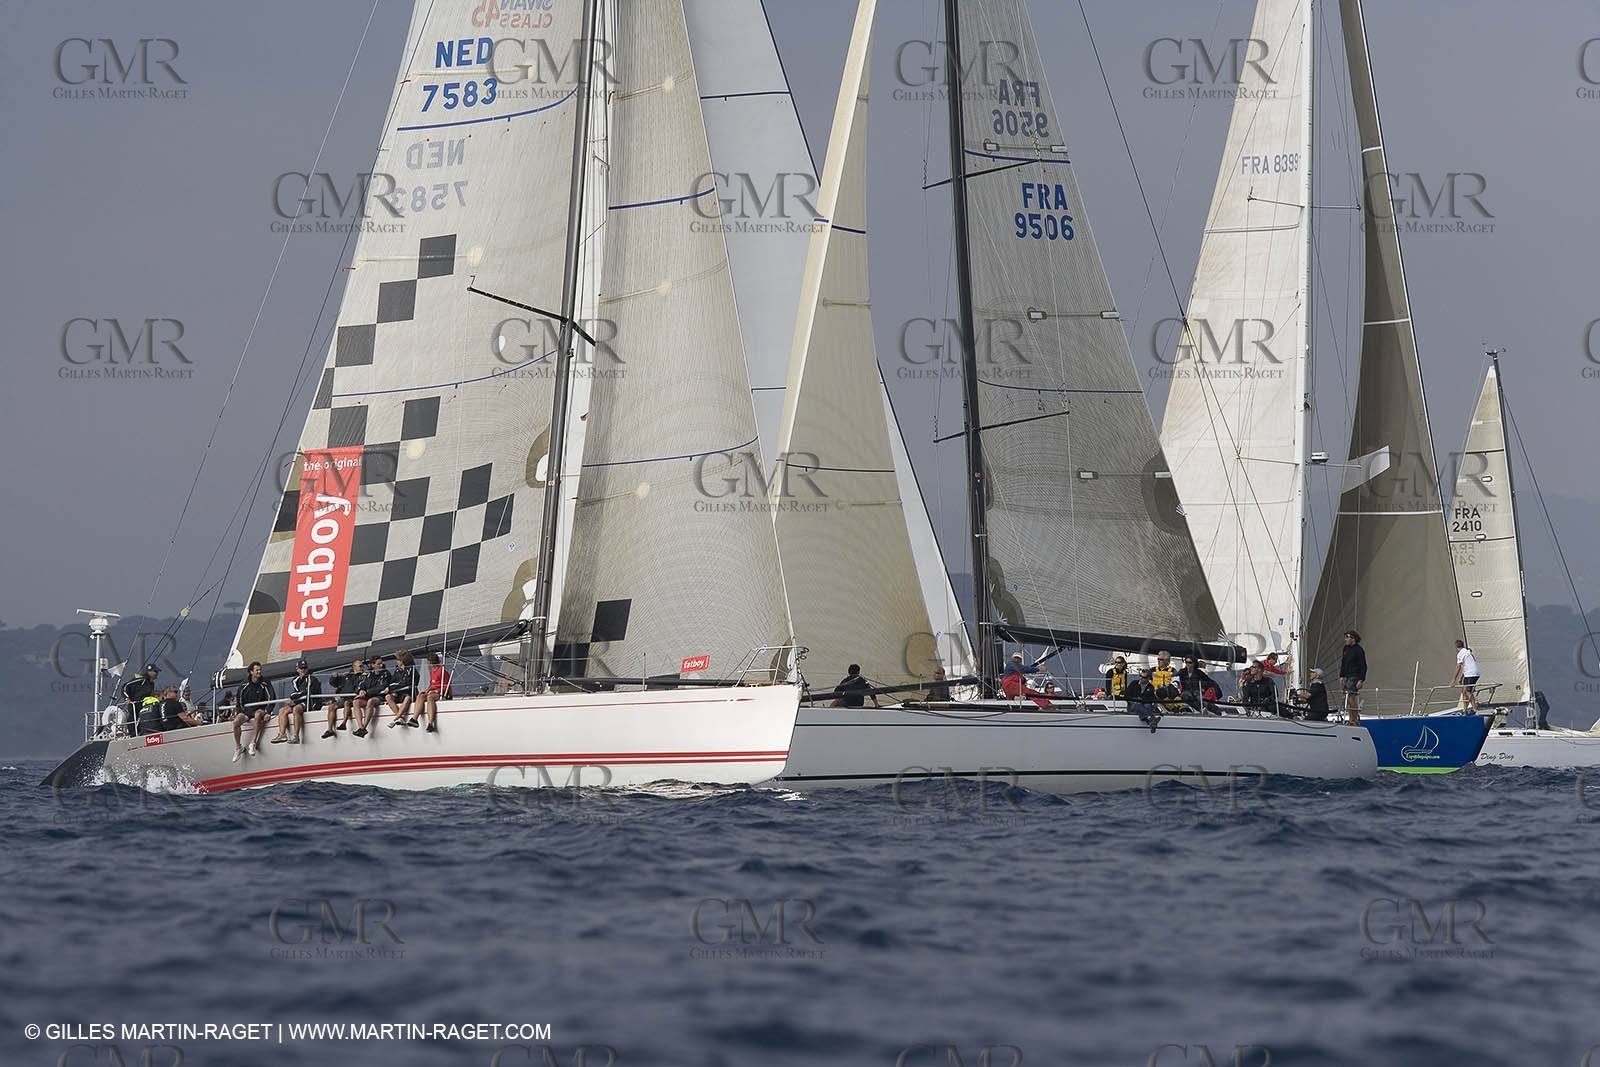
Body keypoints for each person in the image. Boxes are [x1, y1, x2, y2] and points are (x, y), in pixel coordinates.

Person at [233, 661, 276, 761]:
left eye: (260, 670)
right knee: (236, 722)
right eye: (257, 670)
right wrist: (241, 712)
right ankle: (238, 747)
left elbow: (271, 697)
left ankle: (253, 743)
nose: (259, 672)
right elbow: (239, 700)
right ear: (251, 671)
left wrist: (268, 712)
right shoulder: (244, 684)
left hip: (260, 709)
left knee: (257, 715)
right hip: (247, 711)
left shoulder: (265, 682)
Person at [272, 659, 320, 743]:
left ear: (307, 669)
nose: (303, 670)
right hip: (300, 702)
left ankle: (296, 736)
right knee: (282, 710)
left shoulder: (311, 679)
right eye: (301, 668)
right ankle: (282, 734)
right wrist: (293, 697)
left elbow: (306, 692)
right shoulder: (295, 680)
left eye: (304, 668)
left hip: (310, 703)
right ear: (297, 669)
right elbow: (298, 692)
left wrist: (292, 697)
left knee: (296, 709)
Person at [355, 656, 392, 734]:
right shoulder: (367, 674)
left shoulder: (386, 673)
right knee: (356, 702)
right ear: (373, 665)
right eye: (378, 664)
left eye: (381, 663)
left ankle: (364, 727)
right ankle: (360, 727)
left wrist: (366, 693)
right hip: (367, 696)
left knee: (370, 701)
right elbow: (360, 684)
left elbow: (381, 687)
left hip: (379, 697)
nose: (381, 665)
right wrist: (360, 690)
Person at [327, 659, 365, 735]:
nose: (362, 668)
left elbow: (361, 685)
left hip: (353, 698)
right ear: (354, 667)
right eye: (360, 666)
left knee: (347, 703)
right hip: (343, 698)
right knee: (331, 707)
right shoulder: (347, 676)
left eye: (362, 666)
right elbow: (334, 684)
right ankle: (330, 730)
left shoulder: (363, 675)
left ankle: (344, 723)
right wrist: (334, 677)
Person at [418, 651, 452, 732]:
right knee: (420, 696)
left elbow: (446, 685)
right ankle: (414, 718)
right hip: (432, 691)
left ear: (430, 661)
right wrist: (426, 691)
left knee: (430, 697)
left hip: (439, 692)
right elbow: (431, 684)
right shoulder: (432, 671)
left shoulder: (442, 671)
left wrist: (436, 691)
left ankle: (430, 723)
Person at [1339, 630, 1367, 725]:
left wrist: (1361, 680)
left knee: (1351, 697)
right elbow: (1343, 663)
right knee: (1347, 698)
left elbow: (1363, 666)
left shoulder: (1358, 650)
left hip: (1354, 676)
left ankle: (1353, 719)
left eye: (1347, 638)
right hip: (1347, 676)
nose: (1345, 640)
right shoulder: (1346, 649)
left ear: (1353, 639)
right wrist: (1341, 675)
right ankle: (1352, 717)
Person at [122, 663, 159, 728]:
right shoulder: (140, 680)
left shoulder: (151, 684)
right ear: (149, 672)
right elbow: (125, 686)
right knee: (133, 720)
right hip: (134, 705)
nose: (157, 673)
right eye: (155, 671)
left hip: (143, 707)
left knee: (141, 722)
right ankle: (133, 734)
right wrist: (126, 698)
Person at [1451, 640, 1481, 712]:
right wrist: (1461, 678)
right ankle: (1465, 709)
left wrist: (1453, 679)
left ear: (1456, 647)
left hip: (1471, 674)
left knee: (1468, 691)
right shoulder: (1468, 652)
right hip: (1472, 673)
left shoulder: (1461, 654)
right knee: (1464, 691)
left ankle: (1474, 708)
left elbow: (1458, 667)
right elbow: (1465, 666)